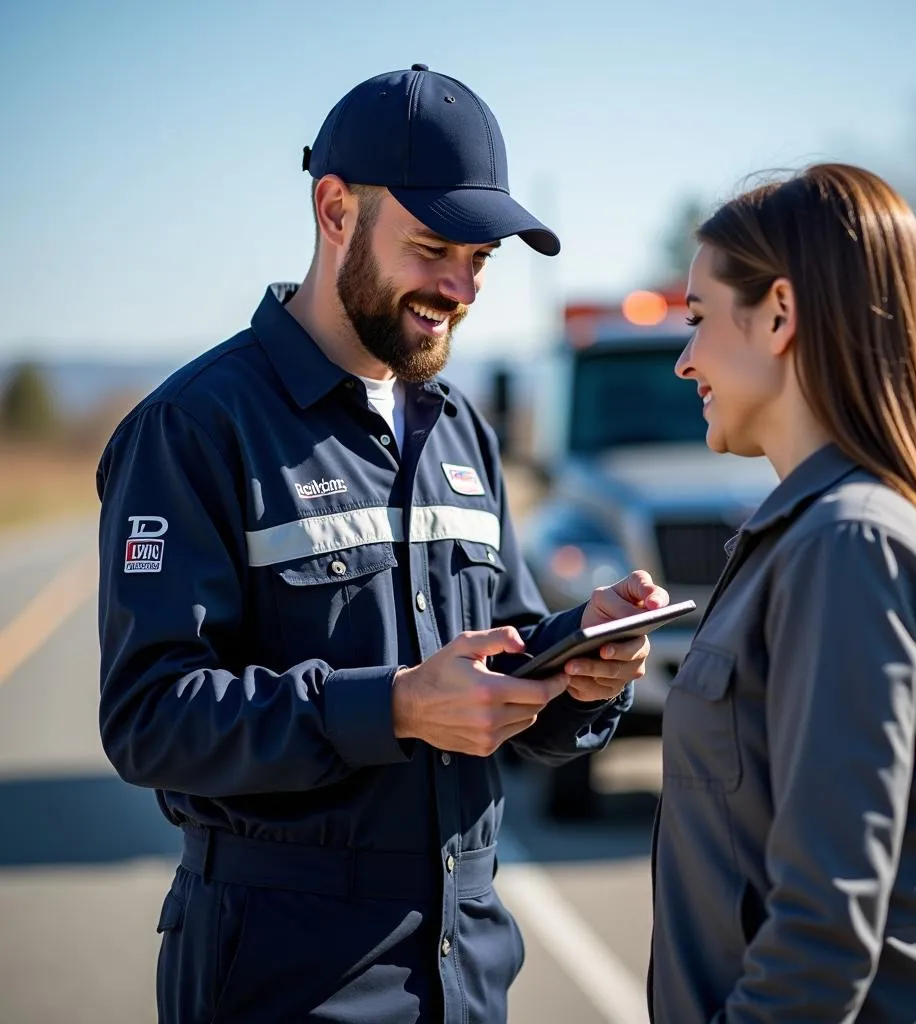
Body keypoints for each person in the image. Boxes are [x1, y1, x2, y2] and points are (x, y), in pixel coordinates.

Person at [96, 64, 668, 1024]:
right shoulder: (195, 429)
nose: (460, 287)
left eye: (481, 259)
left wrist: (582, 664)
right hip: (281, 975)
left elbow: (505, 652)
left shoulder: (461, 429)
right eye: (433, 247)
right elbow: (151, 718)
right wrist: (396, 706)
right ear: (333, 210)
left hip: (469, 971)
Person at [650, 163, 916, 1022]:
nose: (684, 360)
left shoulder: (847, 546)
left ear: (779, 314)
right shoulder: (825, 533)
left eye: (699, 320)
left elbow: (821, 937)